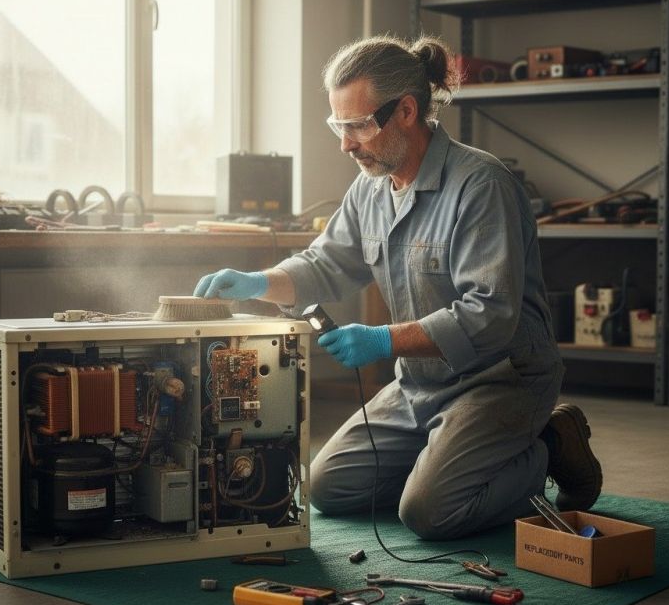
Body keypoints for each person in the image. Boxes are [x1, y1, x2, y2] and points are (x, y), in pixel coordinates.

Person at [194, 34, 602, 540]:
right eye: (337, 126)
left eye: (358, 126)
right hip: (420, 383)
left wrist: (382, 339)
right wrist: (257, 282)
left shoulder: (481, 185)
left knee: (430, 513)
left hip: (501, 379)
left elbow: (490, 314)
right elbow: (325, 264)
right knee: (327, 488)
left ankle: (549, 445)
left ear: (406, 111)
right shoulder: (369, 188)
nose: (346, 143)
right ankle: (449, 458)